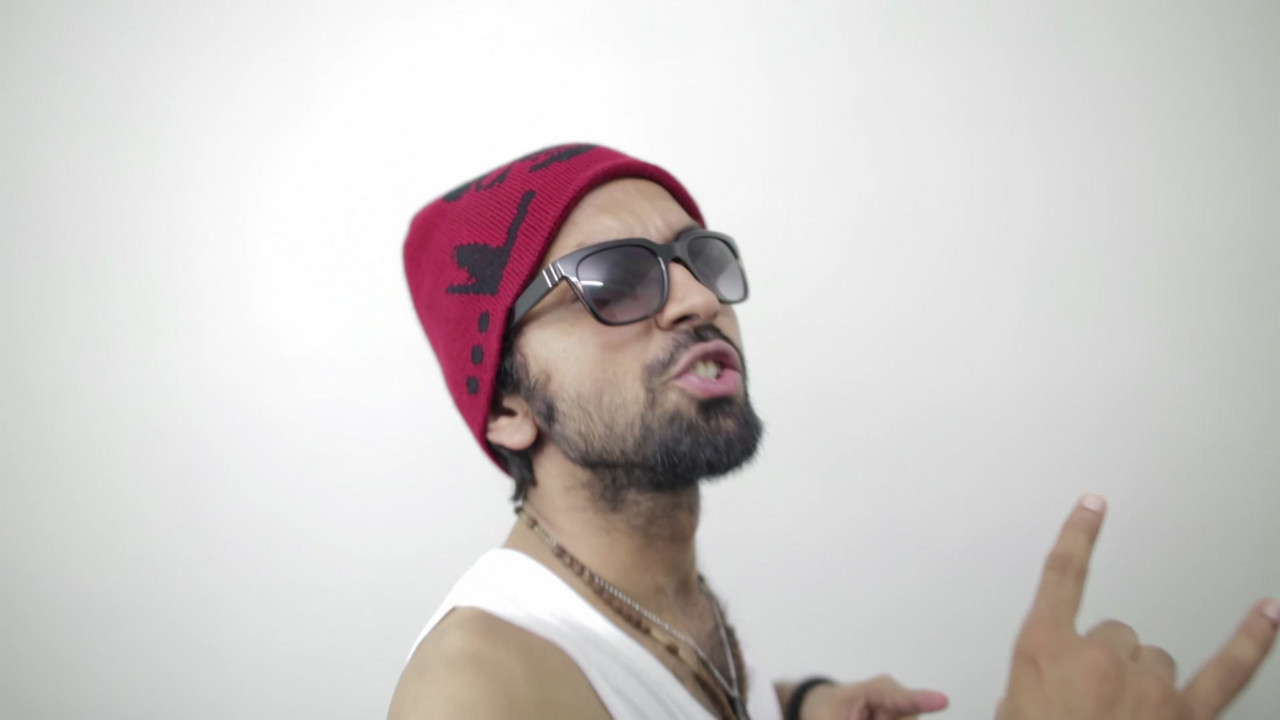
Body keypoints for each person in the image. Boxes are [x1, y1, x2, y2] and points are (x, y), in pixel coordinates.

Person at [389, 143, 1278, 719]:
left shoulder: (654, 595)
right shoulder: (480, 689)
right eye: (616, 281)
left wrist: (800, 704)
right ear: (506, 405)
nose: (698, 300)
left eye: (701, 258)